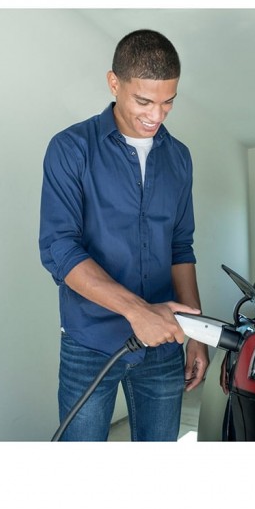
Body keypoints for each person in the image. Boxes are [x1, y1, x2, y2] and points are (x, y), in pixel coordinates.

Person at [39, 29, 209, 441]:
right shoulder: (71, 148)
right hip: (89, 342)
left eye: (168, 102)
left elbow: (180, 246)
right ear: (114, 83)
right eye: (144, 101)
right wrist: (138, 312)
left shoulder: (179, 157)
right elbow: (59, 249)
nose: (157, 115)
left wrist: (197, 335)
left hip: (165, 344)